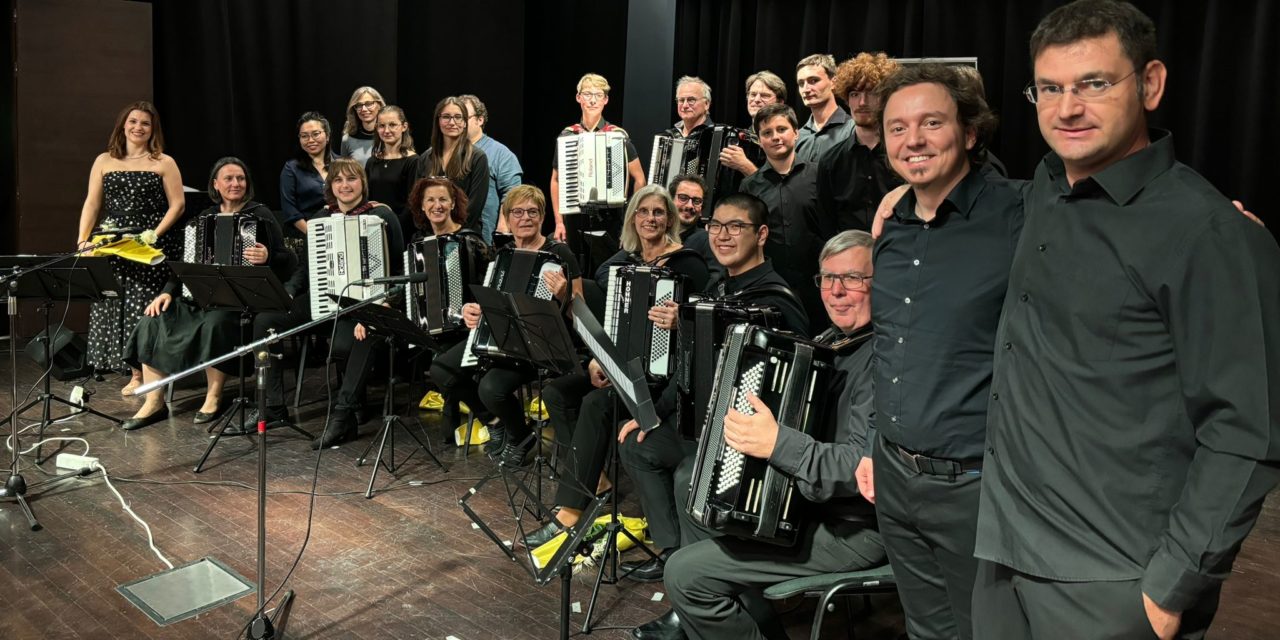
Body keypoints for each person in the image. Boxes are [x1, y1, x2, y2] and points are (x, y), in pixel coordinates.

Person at [972, 2, 1280, 638]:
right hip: (1003, 554)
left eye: (1094, 84)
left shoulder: (1210, 233)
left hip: (1111, 581)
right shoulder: (1047, 189)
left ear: (1151, 83)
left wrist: (1172, 589)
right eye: (1050, 89)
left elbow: (1249, 431)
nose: (1067, 109)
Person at [660, 230, 884, 640]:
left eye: (852, 278)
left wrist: (776, 443)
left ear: (881, 282)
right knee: (692, 482)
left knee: (683, 573)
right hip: (806, 506)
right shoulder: (832, 341)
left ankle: (712, 612)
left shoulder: (885, 361)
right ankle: (744, 624)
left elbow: (861, 469)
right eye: (827, 279)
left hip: (852, 529)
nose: (836, 291)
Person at [859, 63, 1015, 640]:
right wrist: (877, 439)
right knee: (926, 631)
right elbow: (891, 348)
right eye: (897, 128)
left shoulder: (1018, 214)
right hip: (896, 479)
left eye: (931, 122)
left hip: (973, 487)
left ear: (970, 132)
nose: (913, 140)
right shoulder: (892, 224)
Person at [524, 184, 709, 548]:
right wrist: (598, 358)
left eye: (658, 212)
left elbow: (706, 326)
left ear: (669, 219)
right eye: (643, 212)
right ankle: (596, 480)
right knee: (557, 393)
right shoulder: (623, 262)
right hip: (620, 365)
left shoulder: (687, 264)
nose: (651, 219)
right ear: (633, 218)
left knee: (596, 404)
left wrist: (682, 318)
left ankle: (569, 514)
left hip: (663, 375)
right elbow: (611, 321)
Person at [316, 177, 487, 448]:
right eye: (430, 200)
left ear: (453, 203)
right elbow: (407, 286)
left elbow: (484, 290)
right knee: (369, 332)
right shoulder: (418, 242)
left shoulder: (471, 241)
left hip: (460, 328)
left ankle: (467, 407)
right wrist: (383, 306)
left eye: (443, 199)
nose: (437, 205)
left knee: (447, 435)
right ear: (421, 205)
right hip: (420, 323)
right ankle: (342, 416)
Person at [123, 158, 293, 431]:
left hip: (240, 301)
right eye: (228, 178)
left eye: (240, 178)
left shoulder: (260, 215)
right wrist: (166, 292)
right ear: (216, 184)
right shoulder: (202, 219)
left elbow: (289, 260)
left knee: (215, 323)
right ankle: (154, 399)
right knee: (153, 319)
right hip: (201, 297)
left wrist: (268, 255)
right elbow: (185, 265)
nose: (235, 183)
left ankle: (213, 396)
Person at [244, 157, 405, 431]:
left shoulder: (382, 216)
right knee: (266, 321)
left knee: (343, 346)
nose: (345, 185)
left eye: (351, 179)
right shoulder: (320, 219)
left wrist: (387, 301)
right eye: (338, 180)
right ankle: (273, 406)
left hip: (364, 303)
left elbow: (400, 268)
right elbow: (306, 268)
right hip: (324, 297)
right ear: (330, 186)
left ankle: (354, 405)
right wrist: (289, 294)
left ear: (362, 183)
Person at [429, 185, 582, 466]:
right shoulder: (503, 253)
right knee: (441, 370)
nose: (525, 218)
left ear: (542, 216)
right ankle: (498, 423)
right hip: (498, 336)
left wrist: (564, 296)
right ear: (508, 218)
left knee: (491, 388)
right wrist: (471, 311)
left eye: (532, 212)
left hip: (542, 343)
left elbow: (581, 313)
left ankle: (520, 436)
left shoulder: (560, 254)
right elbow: (487, 296)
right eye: (518, 212)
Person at [75, 100, 186, 396]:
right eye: (133, 121)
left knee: (141, 306)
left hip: (147, 244)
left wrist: (153, 234)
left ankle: (141, 373)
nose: (138, 127)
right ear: (123, 125)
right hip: (113, 243)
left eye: (145, 124)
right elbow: (92, 203)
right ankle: (125, 367)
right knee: (115, 303)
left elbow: (178, 205)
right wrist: (82, 240)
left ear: (153, 130)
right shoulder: (104, 161)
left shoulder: (163, 162)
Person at [738, 103, 830, 335]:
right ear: (759, 140)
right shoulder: (750, 186)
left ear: (796, 132)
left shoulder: (819, 175)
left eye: (782, 129)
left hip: (818, 284)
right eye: (767, 133)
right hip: (771, 289)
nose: (775, 137)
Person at [548, 73, 646, 249]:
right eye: (587, 94)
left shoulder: (617, 135)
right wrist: (559, 222)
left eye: (598, 95)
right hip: (575, 216)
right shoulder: (568, 135)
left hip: (611, 217)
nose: (593, 100)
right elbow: (556, 180)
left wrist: (632, 218)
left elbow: (639, 179)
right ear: (579, 98)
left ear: (605, 100)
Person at [817, 52, 902, 231]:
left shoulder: (905, 154)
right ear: (847, 99)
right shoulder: (831, 161)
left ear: (886, 97)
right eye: (855, 94)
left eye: (872, 92)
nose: (862, 102)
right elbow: (826, 223)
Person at [413, 97, 489, 233]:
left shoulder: (478, 157)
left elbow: (475, 205)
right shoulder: (425, 158)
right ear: (438, 121)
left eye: (458, 117)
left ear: (465, 122)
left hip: (463, 236)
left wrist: (452, 233)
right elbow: (418, 200)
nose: (452, 122)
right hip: (430, 234)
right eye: (446, 117)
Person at [458, 94, 523, 244]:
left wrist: (502, 230)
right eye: (455, 117)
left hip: (484, 240)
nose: (458, 123)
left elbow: (512, 195)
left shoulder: (500, 154)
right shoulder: (446, 153)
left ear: (480, 120)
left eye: (463, 118)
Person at [280, 111, 335, 255]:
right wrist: (314, 234)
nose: (310, 140)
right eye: (304, 136)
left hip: (338, 230)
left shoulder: (341, 164)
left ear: (327, 136)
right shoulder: (291, 168)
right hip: (304, 235)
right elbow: (289, 210)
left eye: (316, 134)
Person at [363, 105, 418, 239]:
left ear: (404, 127)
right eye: (381, 126)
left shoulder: (413, 161)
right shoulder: (372, 162)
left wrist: (394, 226)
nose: (386, 130)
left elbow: (413, 202)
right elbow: (366, 197)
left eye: (392, 125)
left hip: (401, 230)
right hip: (373, 229)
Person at [718, 70, 786, 178]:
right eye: (753, 94)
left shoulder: (784, 139)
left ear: (780, 103)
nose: (757, 100)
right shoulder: (741, 137)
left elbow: (779, 190)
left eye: (765, 95)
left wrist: (745, 166)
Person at [793, 54, 852, 163]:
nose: (806, 89)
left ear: (833, 82)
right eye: (801, 83)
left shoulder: (853, 130)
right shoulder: (798, 136)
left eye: (813, 80)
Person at [668, 175, 715, 273]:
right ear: (670, 201)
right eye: (683, 198)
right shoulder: (657, 234)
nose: (689, 205)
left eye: (696, 201)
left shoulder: (707, 240)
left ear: (701, 209)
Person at [339, 86, 385, 166]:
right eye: (359, 105)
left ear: (379, 105)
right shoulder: (347, 139)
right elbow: (344, 172)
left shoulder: (390, 136)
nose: (363, 109)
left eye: (368, 104)